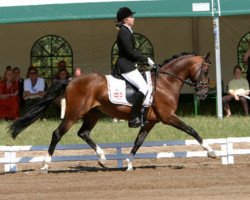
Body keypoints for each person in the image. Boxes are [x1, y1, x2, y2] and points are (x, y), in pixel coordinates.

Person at [114, 7, 155, 128]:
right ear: (126, 20)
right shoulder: (123, 32)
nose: (133, 18)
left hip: (130, 64)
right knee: (143, 87)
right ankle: (133, 118)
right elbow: (130, 51)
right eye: (131, 17)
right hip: (125, 65)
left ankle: (141, 113)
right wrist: (146, 59)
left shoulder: (127, 30)